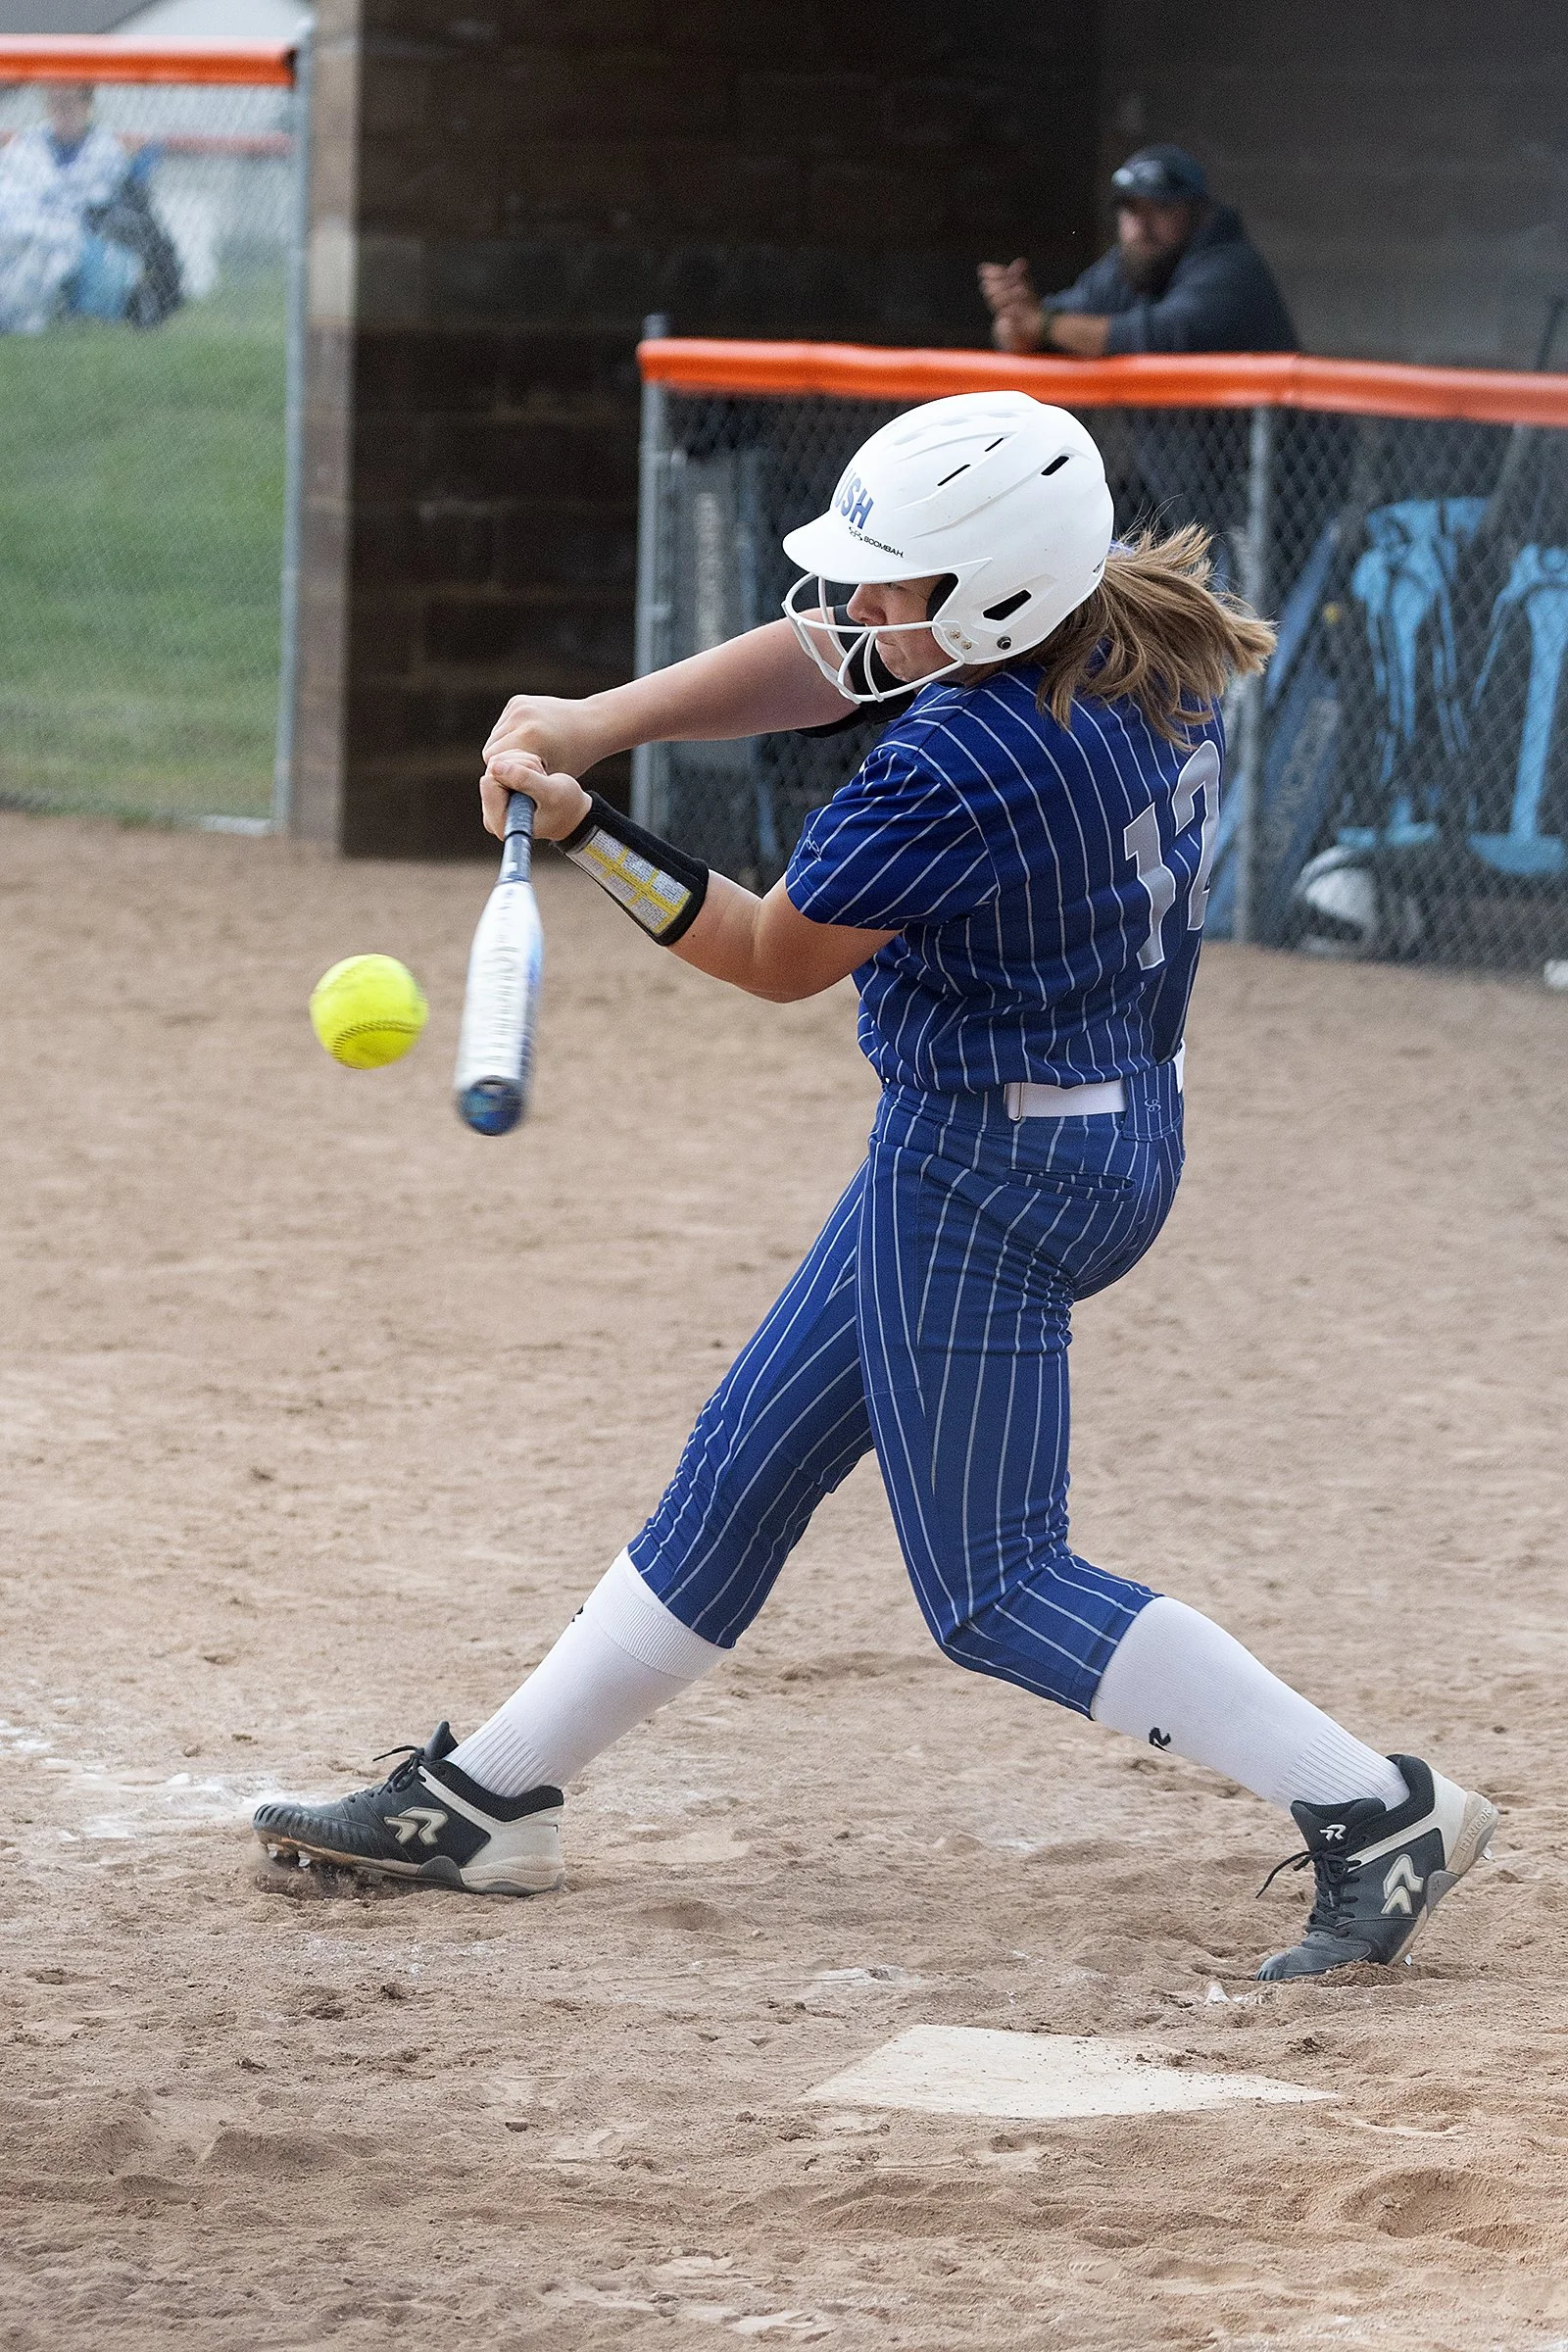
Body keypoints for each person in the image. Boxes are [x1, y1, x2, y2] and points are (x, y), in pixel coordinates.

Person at [254, 392, 1496, 1983]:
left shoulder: (963, 763)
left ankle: (1372, 1805)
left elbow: (775, 958)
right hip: (1105, 1130)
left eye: (890, 588)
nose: (851, 611)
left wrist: (588, 830)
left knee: (995, 1587)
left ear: (983, 605)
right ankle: (493, 1800)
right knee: (742, 1475)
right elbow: (827, 662)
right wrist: (596, 715)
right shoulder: (1136, 642)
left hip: (984, 1164)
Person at [979, 144, 1298, 360]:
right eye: (1131, 210)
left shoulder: (1228, 267)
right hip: (1186, 461)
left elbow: (1163, 336)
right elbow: (1039, 328)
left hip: (1277, 457)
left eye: (1160, 208)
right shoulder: (1124, 268)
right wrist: (1014, 319)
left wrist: (1043, 323)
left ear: (1197, 214)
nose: (1141, 226)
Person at [0, 82, 181, 337]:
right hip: (26, 236)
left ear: (86, 105)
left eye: (69, 103)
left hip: (83, 242)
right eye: (56, 104)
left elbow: (109, 204)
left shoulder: (107, 149)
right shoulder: (27, 146)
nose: (62, 111)